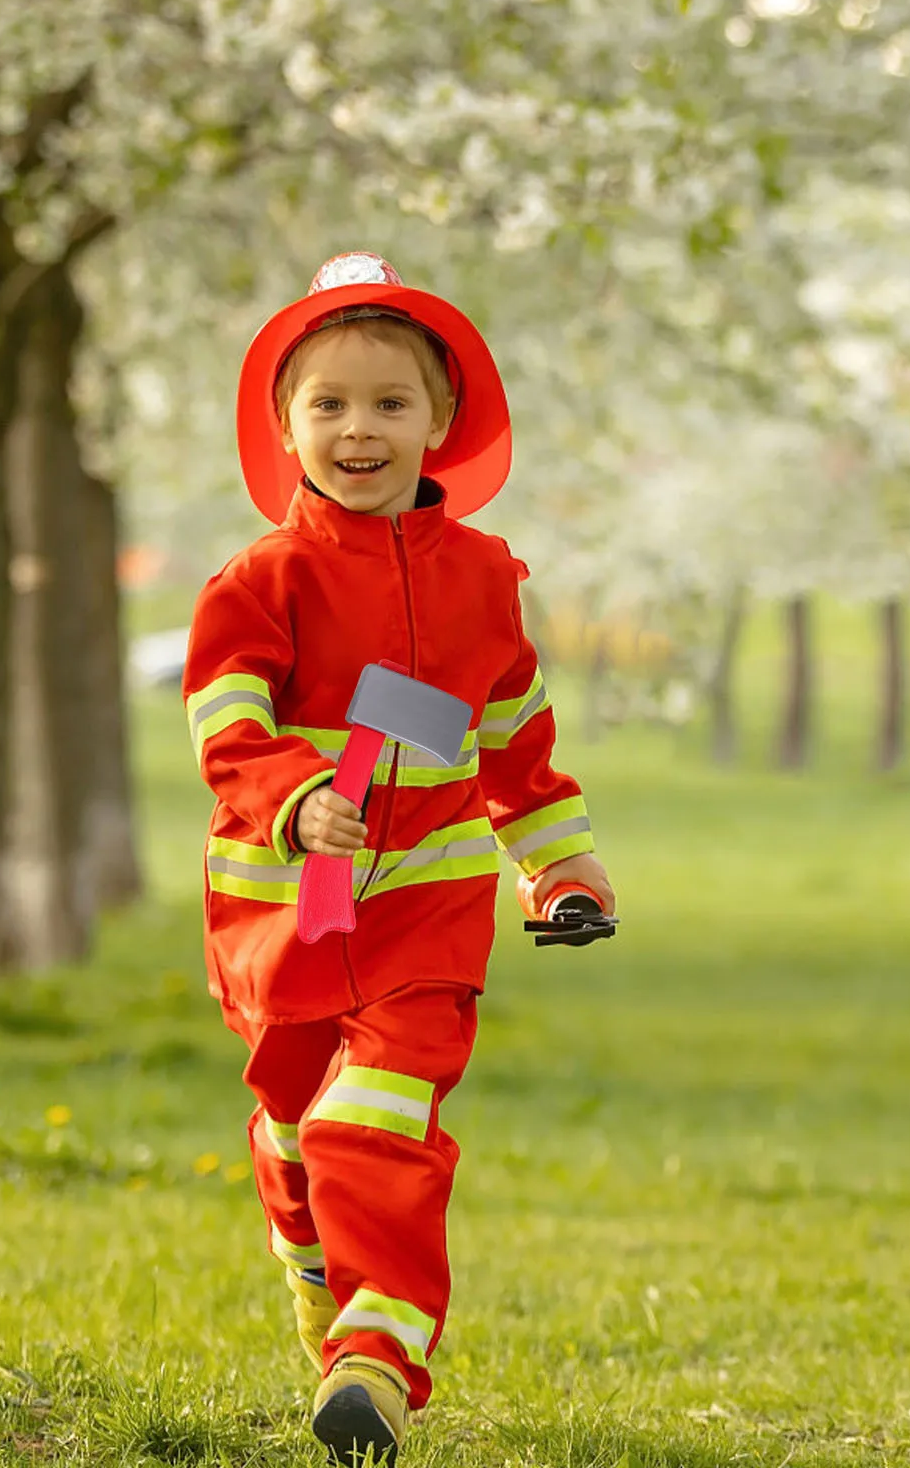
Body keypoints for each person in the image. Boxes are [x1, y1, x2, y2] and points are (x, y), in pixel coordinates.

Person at [182, 250, 614, 1465]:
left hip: (423, 918)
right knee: (292, 1125)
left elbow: (515, 752)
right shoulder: (261, 580)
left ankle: (377, 1352)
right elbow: (226, 726)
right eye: (326, 404)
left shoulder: (483, 579)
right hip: (289, 918)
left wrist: (560, 870)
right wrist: (296, 796)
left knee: (376, 1116)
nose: (357, 430)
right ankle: (312, 1259)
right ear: (284, 428)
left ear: (440, 422)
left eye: (389, 403)